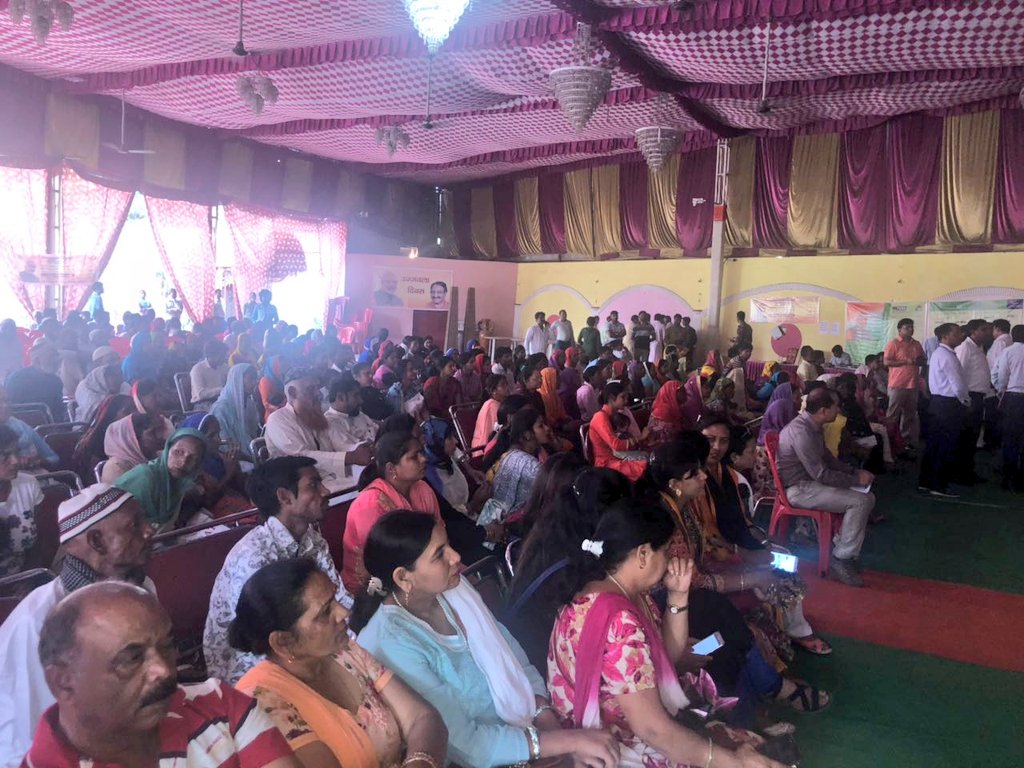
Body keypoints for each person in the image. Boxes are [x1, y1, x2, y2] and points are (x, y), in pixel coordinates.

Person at [352, 511, 619, 768]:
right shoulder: (391, 643)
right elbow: (466, 746)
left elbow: (510, 654)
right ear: (403, 577)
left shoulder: (454, 589)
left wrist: (546, 719)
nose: (456, 556)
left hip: (523, 727)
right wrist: (567, 742)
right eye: (439, 554)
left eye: (448, 545)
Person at [547, 501, 787, 768]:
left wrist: (678, 595)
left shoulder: (604, 591)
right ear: (643, 554)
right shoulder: (620, 621)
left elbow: (667, 656)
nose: (670, 559)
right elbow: (651, 729)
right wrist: (730, 762)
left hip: (606, 732)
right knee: (750, 752)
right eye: (665, 550)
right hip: (612, 747)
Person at [25, 583, 299, 768]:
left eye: (166, 645)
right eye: (131, 659)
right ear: (63, 683)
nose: (164, 671)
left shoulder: (217, 705)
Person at [230, 559, 448, 768]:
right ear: (283, 642)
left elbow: (422, 717)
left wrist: (420, 762)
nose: (344, 612)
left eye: (335, 598)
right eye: (325, 612)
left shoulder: (344, 652)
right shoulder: (262, 702)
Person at [0, 484, 154, 766]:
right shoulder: (40, 623)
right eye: (134, 526)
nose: (149, 530)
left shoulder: (140, 590)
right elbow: (34, 732)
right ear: (97, 542)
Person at [204, 456, 353, 684]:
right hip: (253, 667)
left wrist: (361, 637)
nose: (325, 491)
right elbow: (263, 644)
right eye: (313, 485)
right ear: (284, 497)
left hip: (304, 640)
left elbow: (339, 597)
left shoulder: (313, 540)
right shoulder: (253, 557)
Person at [777, 388, 875, 586]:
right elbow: (822, 474)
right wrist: (856, 480)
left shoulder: (812, 426)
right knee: (861, 501)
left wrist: (854, 472)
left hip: (809, 484)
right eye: (836, 406)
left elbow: (828, 459)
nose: (839, 410)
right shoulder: (802, 432)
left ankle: (843, 548)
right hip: (798, 489)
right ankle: (842, 557)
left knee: (868, 498)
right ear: (823, 411)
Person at [342, 432, 442, 593]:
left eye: (422, 453)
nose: (424, 459)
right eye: (414, 457)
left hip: (421, 567)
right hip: (373, 586)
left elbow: (439, 534)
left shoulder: (422, 488)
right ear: (391, 468)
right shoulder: (369, 504)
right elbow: (383, 563)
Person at [265, 370, 371, 492]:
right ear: (292, 393)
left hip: (331, 479)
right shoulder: (277, 419)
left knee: (370, 480)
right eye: (310, 389)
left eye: (317, 388)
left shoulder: (318, 415)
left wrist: (364, 448)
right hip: (300, 488)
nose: (318, 394)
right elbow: (301, 456)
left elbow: (340, 443)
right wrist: (349, 457)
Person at [114, 428, 206, 532]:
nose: (183, 462)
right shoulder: (145, 477)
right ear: (167, 449)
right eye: (178, 452)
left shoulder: (180, 485)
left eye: (193, 458)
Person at [487, 407, 550, 519]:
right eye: (541, 426)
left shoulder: (510, 456)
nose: (547, 428)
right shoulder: (529, 465)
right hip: (513, 526)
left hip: (499, 521)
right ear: (527, 435)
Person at [0, 425, 44, 577]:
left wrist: (29, 577)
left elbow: (42, 540)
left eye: (16, 452)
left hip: (26, 575)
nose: (15, 461)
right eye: (5, 455)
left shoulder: (28, 484)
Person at [954, 319, 992, 484]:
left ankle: (968, 471)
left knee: (972, 437)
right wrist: (965, 400)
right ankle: (961, 474)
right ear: (973, 331)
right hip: (969, 398)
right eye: (983, 329)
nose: (987, 333)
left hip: (978, 397)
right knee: (966, 437)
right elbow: (959, 375)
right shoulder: (965, 348)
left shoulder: (978, 348)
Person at [588, 382, 648, 482]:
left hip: (617, 457)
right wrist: (640, 438)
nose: (626, 401)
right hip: (606, 463)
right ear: (612, 398)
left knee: (648, 458)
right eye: (622, 397)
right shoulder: (600, 417)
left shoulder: (614, 415)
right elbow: (616, 445)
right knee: (644, 465)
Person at [883, 318, 926, 451]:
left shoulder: (916, 344)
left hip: (913, 384)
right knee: (892, 415)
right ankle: (889, 441)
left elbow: (923, 360)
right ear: (899, 329)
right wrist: (905, 361)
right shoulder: (894, 343)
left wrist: (919, 361)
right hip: (897, 384)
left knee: (909, 415)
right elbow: (886, 362)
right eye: (907, 327)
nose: (911, 330)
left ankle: (904, 441)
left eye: (912, 327)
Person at [71, 393, 135, 480]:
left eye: (135, 410)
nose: (133, 415)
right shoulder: (96, 443)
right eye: (127, 411)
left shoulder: (134, 436)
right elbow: (94, 480)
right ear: (112, 415)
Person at [992, 325, 1024, 490]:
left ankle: (1008, 477)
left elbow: (1001, 375)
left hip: (1013, 398)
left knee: (1011, 438)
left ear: (1013, 336)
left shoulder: (1008, 352)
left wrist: (1001, 391)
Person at [0, 385, 60, 472]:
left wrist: (38, 461)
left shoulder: (22, 427)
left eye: (7, 400)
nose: (5, 405)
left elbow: (53, 458)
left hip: (36, 475)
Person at [210, 363, 262, 461]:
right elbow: (223, 444)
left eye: (255, 379)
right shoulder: (221, 409)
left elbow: (253, 432)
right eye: (250, 378)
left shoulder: (250, 404)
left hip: (250, 452)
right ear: (237, 380)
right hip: (231, 458)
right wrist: (248, 458)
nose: (254, 382)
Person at [5, 339, 65, 422]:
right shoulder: (16, 379)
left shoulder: (56, 381)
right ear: (37, 360)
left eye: (56, 355)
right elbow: (11, 408)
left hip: (52, 425)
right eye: (51, 356)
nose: (56, 360)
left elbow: (59, 411)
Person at [99, 411, 165, 484]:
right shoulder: (115, 468)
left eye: (157, 430)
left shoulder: (155, 456)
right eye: (152, 433)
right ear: (133, 439)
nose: (159, 436)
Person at [472, 374, 509, 452]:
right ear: (494, 391)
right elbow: (497, 432)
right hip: (484, 449)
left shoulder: (499, 404)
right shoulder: (493, 406)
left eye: (506, 384)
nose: (507, 387)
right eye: (503, 385)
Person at [189, 339, 230, 408]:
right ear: (212, 355)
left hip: (220, 400)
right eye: (222, 355)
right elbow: (201, 394)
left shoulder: (224, 367)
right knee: (222, 408)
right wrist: (222, 389)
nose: (224, 358)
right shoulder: (197, 369)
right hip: (201, 403)